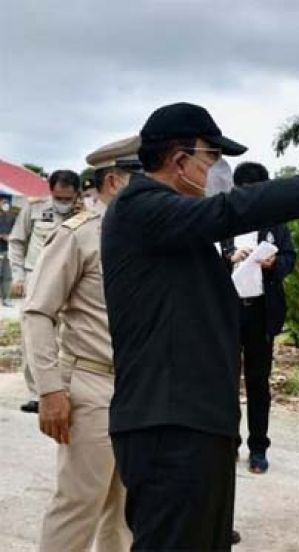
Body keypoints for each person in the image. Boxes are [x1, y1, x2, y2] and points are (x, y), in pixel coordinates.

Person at [101, 102, 299, 551]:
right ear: (179, 159)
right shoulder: (141, 208)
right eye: (212, 161)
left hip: (196, 422)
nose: (218, 173)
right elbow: (232, 210)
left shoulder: (170, 224)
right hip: (169, 425)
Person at [22, 137, 140, 552]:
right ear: (113, 181)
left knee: (125, 511)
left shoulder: (146, 235)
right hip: (91, 383)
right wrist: (50, 389)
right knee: (78, 505)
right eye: (140, 178)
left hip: (137, 389)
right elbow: (37, 312)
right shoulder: (80, 235)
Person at [220, 161, 297, 474]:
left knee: (257, 382)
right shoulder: (223, 220)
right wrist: (228, 258)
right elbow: (204, 258)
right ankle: (228, 443)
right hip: (226, 312)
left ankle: (258, 446)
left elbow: (290, 258)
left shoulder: (275, 223)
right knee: (224, 381)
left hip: (261, 313)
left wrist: (274, 263)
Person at [10, 170, 81, 413]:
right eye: (59, 198)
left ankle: (63, 389)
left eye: (67, 199)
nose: (63, 204)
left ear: (76, 194)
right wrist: (18, 276)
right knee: (33, 336)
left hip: (69, 282)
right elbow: (17, 242)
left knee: (67, 337)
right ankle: (37, 393)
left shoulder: (83, 214)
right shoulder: (34, 209)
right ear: (50, 191)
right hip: (35, 277)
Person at [0, 197, 17, 307]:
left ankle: (6, 298)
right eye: (3, 203)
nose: (5, 205)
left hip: (8, 250)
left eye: (6, 203)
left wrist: (11, 237)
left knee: (7, 275)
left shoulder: (11, 217)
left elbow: (16, 232)